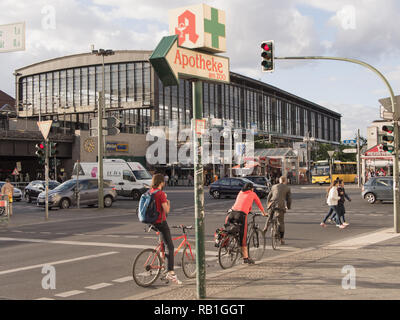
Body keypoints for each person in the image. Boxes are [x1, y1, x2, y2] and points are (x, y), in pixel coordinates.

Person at [150, 173, 182, 285]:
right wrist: (168, 202)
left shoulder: (150, 192)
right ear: (161, 182)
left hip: (151, 222)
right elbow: (166, 210)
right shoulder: (161, 194)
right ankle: (170, 272)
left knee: (163, 244)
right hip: (160, 222)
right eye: (163, 181)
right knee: (171, 247)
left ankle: (163, 262)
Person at [226, 182, 267, 264]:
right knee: (243, 237)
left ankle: (230, 244)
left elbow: (241, 203)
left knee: (231, 230)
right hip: (240, 215)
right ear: (251, 188)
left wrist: (248, 209)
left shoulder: (240, 192)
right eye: (253, 188)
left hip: (231, 214)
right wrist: (264, 213)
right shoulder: (252, 194)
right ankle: (246, 258)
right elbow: (259, 203)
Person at [264, 176, 292, 245]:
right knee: (281, 222)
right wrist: (288, 207)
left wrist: (268, 205)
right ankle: (282, 239)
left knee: (270, 216)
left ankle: (265, 227)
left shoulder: (274, 186)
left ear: (279, 181)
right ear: (285, 181)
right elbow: (289, 199)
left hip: (272, 204)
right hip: (280, 206)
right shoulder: (287, 188)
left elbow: (269, 196)